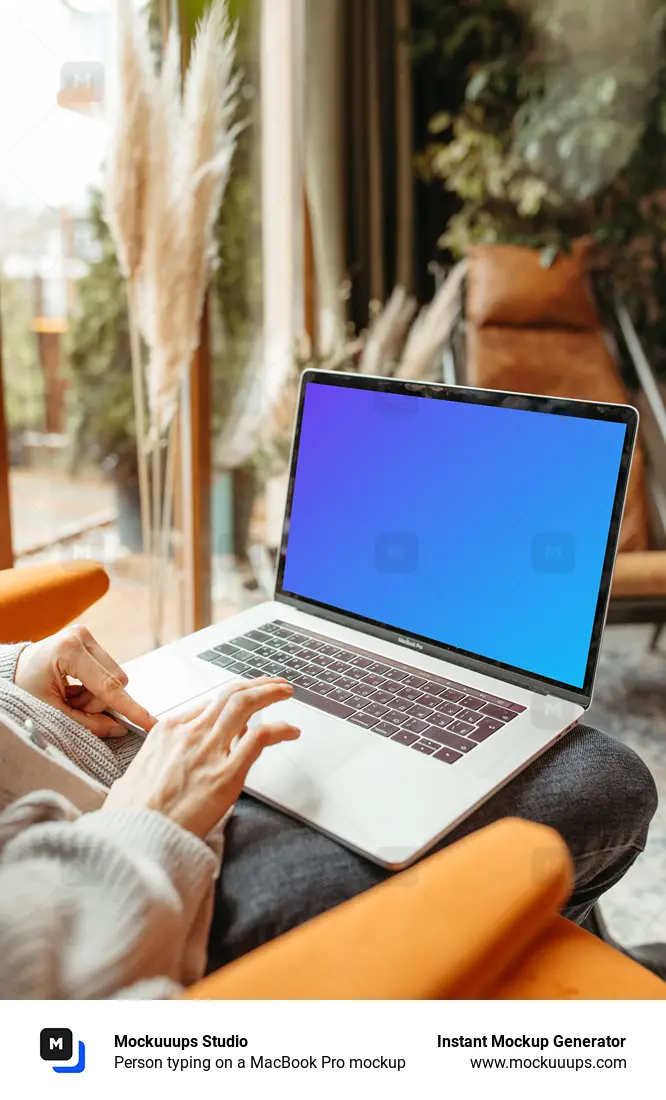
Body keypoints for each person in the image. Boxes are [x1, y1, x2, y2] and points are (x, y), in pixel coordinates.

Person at [0, 625, 659, 998]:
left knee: (514, 757)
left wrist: (17, 670)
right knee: (603, 777)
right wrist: (148, 819)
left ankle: (592, 953)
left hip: (85, 746)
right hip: (131, 877)